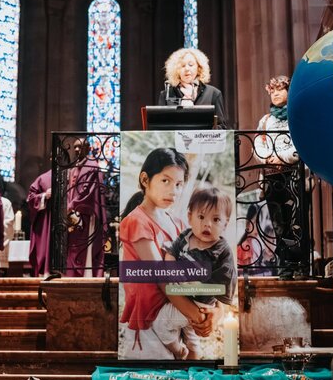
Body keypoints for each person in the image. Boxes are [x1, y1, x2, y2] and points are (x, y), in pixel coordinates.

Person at [118, 148, 215, 359]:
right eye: (165, 181)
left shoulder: (177, 222)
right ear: (145, 179)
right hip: (149, 325)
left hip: (175, 316)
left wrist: (204, 316)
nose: (174, 190)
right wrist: (195, 315)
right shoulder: (137, 221)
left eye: (179, 184)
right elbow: (162, 279)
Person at [165, 184, 237, 359]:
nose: (207, 224)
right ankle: (191, 363)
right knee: (192, 341)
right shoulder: (186, 236)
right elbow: (170, 254)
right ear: (190, 217)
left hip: (201, 305)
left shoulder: (222, 250)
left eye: (216, 220)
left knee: (162, 324)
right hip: (182, 296)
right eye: (201, 217)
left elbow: (226, 284)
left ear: (225, 224)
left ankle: (178, 350)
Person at [253, 75, 304, 274]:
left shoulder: (296, 116)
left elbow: (300, 144)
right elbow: (258, 144)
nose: (275, 93)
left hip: (292, 175)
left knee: (296, 220)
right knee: (278, 221)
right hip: (272, 177)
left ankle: (298, 262)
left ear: (289, 92)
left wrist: (283, 157)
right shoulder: (265, 120)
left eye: (280, 89)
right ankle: (284, 263)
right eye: (272, 90)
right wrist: (268, 158)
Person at [65, 139, 107, 278]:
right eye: (75, 147)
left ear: (88, 148)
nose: (77, 150)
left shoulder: (92, 166)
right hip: (74, 213)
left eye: (80, 147)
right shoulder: (73, 168)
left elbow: (88, 191)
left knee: (85, 247)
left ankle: (87, 275)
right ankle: (73, 275)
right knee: (73, 246)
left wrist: (73, 205)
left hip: (87, 213)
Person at [159, 47, 228, 128]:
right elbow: (160, 127)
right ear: (176, 70)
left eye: (191, 65)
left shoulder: (214, 93)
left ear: (199, 68)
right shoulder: (165, 94)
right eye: (182, 66)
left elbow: (221, 127)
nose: (187, 69)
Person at [25, 169, 52, 277]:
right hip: (47, 221)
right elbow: (31, 198)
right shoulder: (43, 178)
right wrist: (44, 196)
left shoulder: (72, 175)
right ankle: (45, 272)